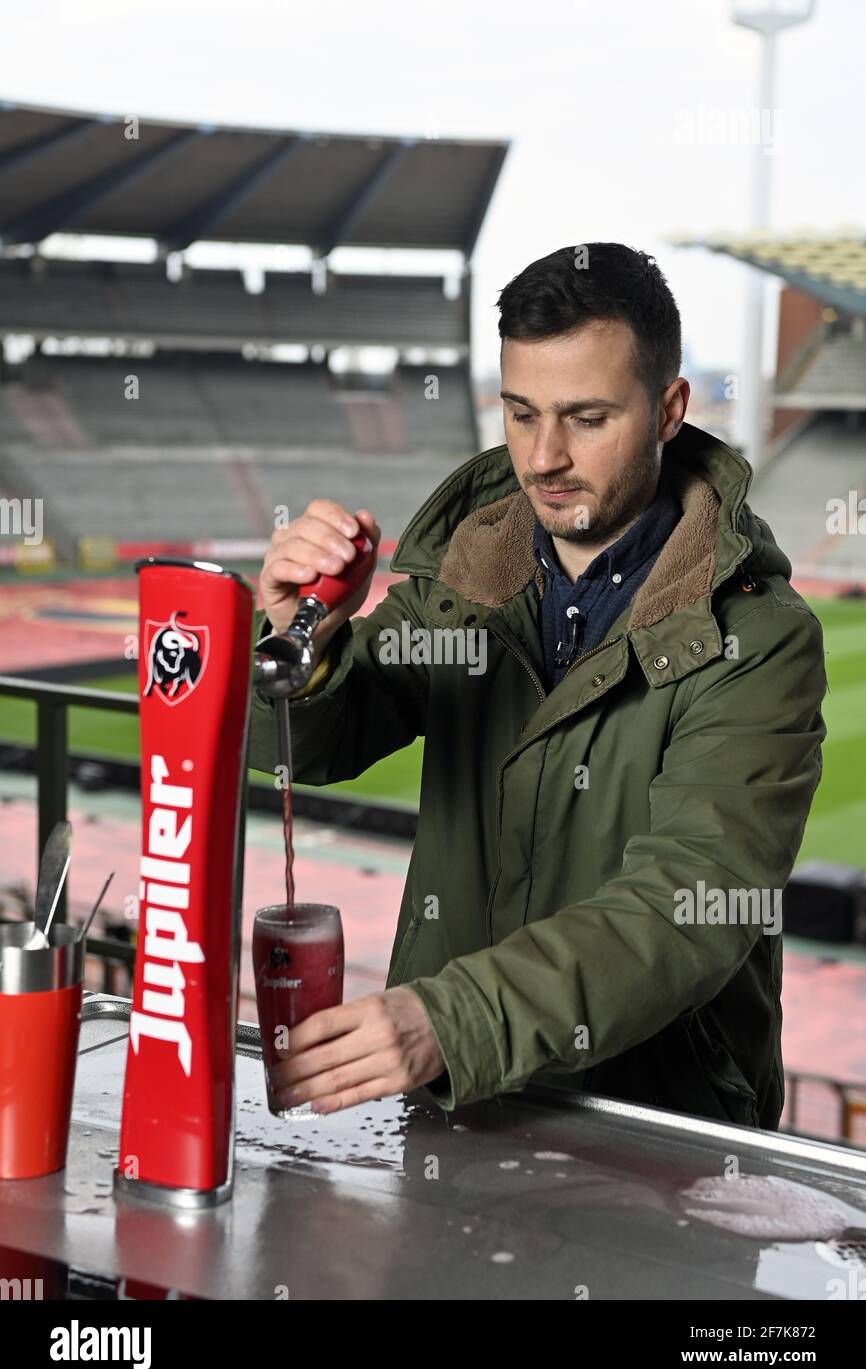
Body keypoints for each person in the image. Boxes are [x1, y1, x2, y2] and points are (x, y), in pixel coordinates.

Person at [249, 242, 826, 1128]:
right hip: (453, 1108)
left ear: (670, 409)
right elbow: (300, 752)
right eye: (521, 414)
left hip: (660, 1132)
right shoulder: (464, 584)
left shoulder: (760, 638)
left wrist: (451, 1020)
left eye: (587, 418)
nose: (545, 457)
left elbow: (692, 903)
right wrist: (300, 636)